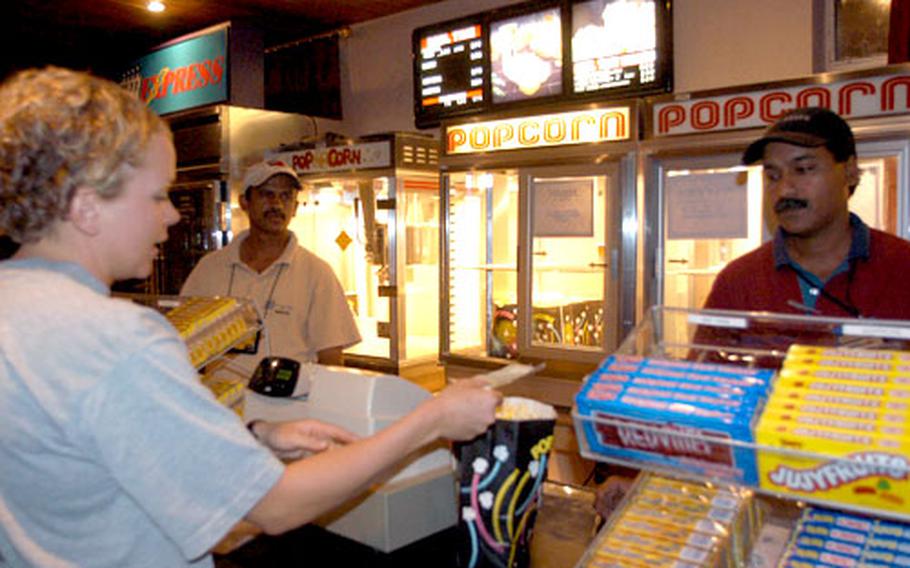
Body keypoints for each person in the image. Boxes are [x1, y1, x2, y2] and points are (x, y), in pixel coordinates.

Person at [0, 66, 501, 567]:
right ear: (87, 207)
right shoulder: (118, 339)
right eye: (156, 196)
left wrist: (254, 437)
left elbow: (97, 459)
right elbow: (274, 508)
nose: (172, 216)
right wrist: (432, 419)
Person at [703, 106, 910, 319]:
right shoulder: (739, 280)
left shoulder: (902, 267)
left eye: (803, 170)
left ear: (849, 172)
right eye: (773, 176)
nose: (784, 190)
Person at [180, 159, 360, 370]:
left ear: (295, 208)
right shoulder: (209, 269)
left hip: (291, 402)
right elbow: (184, 342)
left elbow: (331, 357)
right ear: (245, 202)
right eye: (267, 194)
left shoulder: (317, 273)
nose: (277, 204)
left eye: (286, 196)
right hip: (221, 402)